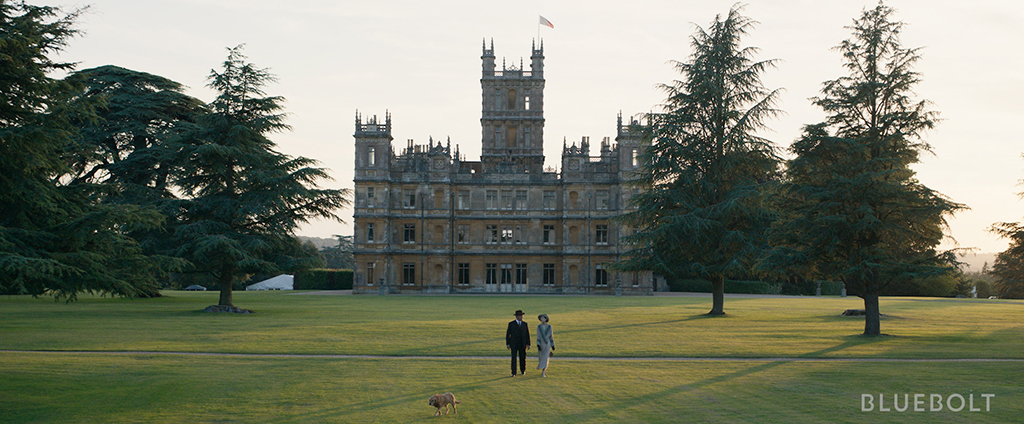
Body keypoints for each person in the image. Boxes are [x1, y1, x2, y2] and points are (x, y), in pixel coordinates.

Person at [505, 310, 531, 377]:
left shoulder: (524, 324)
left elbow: (527, 334)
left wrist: (528, 343)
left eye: (522, 316)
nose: (521, 317)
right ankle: (513, 372)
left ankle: (523, 370)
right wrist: (508, 343)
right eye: (520, 316)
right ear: (517, 317)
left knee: (522, 358)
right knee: (514, 358)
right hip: (514, 344)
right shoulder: (511, 324)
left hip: (522, 344)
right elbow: (508, 334)